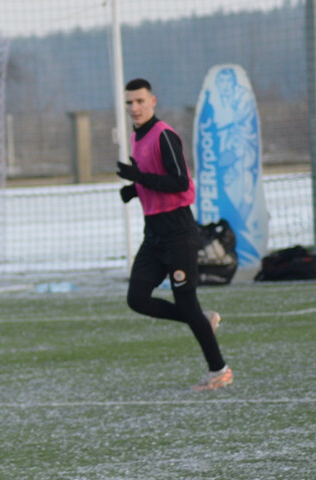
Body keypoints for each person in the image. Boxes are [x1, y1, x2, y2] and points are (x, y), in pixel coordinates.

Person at [118, 78, 232, 391]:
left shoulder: (164, 134)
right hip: (153, 232)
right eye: (129, 102)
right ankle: (199, 319)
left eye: (140, 101)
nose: (135, 108)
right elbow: (155, 181)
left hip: (178, 232)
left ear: (153, 101)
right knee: (137, 299)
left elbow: (180, 183)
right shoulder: (136, 138)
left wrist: (139, 177)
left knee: (186, 302)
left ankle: (219, 370)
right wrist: (134, 189)